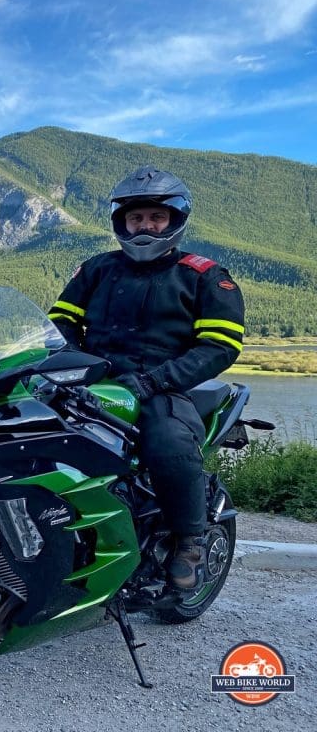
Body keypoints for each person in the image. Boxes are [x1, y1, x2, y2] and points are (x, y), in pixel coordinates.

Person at [47, 165, 245, 591]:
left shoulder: (205, 276)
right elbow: (58, 326)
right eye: (136, 218)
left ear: (174, 220)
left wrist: (153, 382)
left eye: (156, 217)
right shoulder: (96, 269)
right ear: (122, 222)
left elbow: (220, 347)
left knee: (169, 443)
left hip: (166, 387)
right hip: (93, 381)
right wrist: (69, 364)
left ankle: (189, 542)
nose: (145, 225)